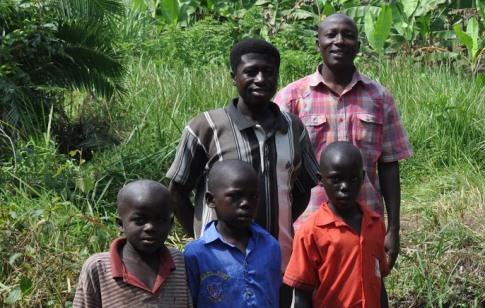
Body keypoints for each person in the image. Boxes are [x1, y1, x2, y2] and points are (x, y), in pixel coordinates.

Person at [165, 38, 319, 278]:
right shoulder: (206, 127)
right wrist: (202, 236)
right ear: (233, 76)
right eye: (250, 72)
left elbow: (302, 189)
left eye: (268, 72)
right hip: (217, 264)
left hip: (278, 257)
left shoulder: (293, 128)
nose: (260, 79)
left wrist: (280, 226)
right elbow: (177, 191)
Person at [274, 13, 412, 275]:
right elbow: (276, 168)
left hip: (365, 226)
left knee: (364, 294)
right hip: (306, 226)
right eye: (331, 35)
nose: (339, 41)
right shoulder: (292, 98)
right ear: (318, 43)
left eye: (348, 35)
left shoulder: (379, 98)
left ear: (358, 46)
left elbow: (390, 166)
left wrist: (393, 229)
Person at [285, 142, 388, 307]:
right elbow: (301, 295)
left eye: (353, 179)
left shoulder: (375, 224)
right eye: (336, 179)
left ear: (362, 177)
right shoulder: (311, 232)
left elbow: (379, 282)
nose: (345, 187)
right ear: (320, 180)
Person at [73, 180, 189, 307]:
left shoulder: (178, 262)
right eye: (139, 220)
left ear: (170, 224)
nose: (150, 227)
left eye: (160, 220)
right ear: (121, 224)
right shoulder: (99, 268)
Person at [183, 160, 282, 307]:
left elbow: (276, 293)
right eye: (235, 196)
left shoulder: (270, 245)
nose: (245, 203)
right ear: (211, 200)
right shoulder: (196, 254)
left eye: (253, 196)